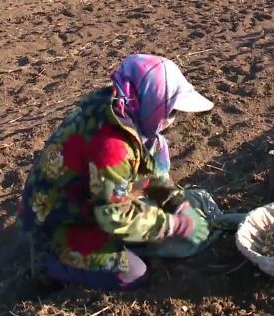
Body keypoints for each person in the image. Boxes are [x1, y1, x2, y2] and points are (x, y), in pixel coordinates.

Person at [15, 54, 214, 291]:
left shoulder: (127, 114)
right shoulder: (113, 145)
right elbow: (115, 213)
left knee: (146, 227)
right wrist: (177, 225)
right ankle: (51, 261)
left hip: (87, 203)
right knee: (134, 273)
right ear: (151, 101)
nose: (173, 120)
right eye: (170, 111)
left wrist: (177, 204)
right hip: (57, 219)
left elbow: (147, 175)